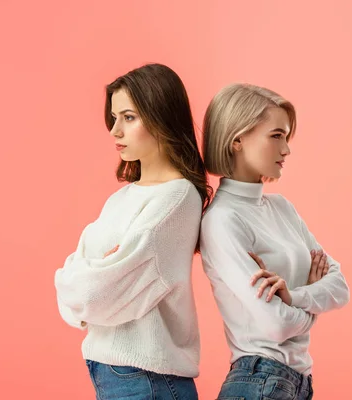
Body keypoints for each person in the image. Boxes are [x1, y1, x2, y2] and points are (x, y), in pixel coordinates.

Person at [54, 63, 211, 400]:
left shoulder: (177, 197)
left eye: (128, 117)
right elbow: (76, 290)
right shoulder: (120, 199)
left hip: (148, 381)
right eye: (114, 118)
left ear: (161, 117)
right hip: (115, 376)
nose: (114, 131)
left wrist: (89, 273)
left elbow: (93, 291)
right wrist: (91, 277)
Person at [200, 83, 350, 400]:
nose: (287, 150)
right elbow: (275, 327)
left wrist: (292, 297)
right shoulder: (222, 220)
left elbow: (341, 288)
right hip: (258, 381)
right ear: (237, 139)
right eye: (276, 135)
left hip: (297, 383)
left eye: (287, 137)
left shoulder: (282, 208)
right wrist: (313, 305)